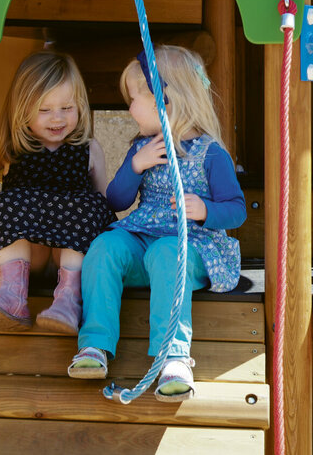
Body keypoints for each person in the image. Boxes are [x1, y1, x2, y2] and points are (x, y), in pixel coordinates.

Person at [68, 44, 247, 402]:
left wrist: (205, 210)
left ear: (164, 100)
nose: (129, 107)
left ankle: (174, 358)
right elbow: (117, 201)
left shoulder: (211, 153)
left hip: (190, 248)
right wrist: (135, 166)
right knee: (105, 246)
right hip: (142, 241)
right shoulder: (141, 147)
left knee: (168, 251)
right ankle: (94, 346)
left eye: (134, 97)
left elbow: (237, 209)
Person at [0, 50, 115, 333]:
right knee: (5, 201)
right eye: (44, 110)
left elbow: (103, 204)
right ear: (22, 110)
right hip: (28, 256)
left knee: (90, 205)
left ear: (80, 106)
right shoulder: (10, 148)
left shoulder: (89, 150)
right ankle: (11, 295)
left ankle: (69, 299)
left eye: (67, 108)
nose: (56, 119)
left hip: (67, 256)